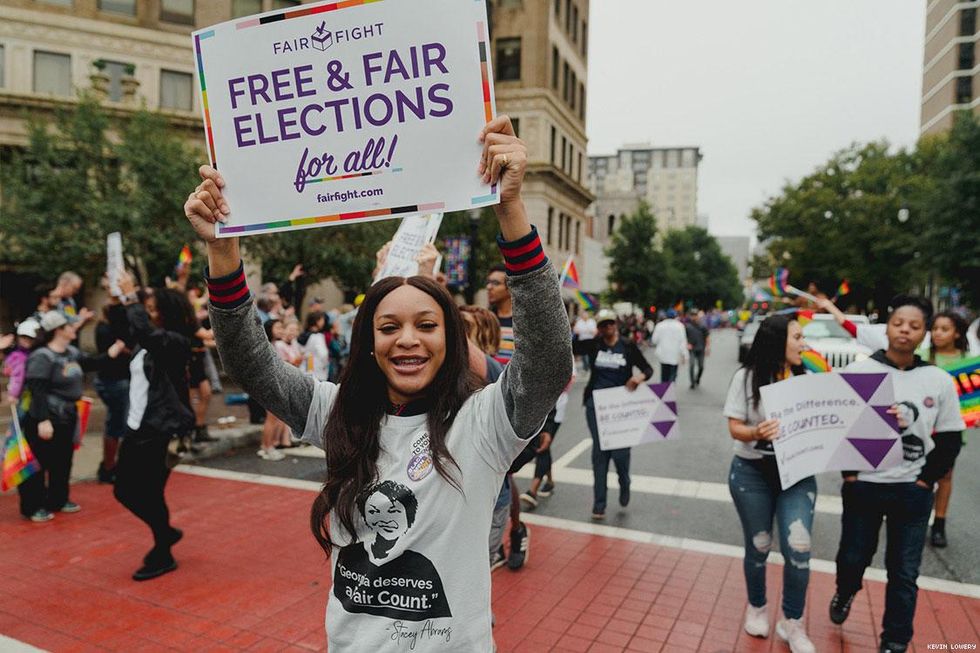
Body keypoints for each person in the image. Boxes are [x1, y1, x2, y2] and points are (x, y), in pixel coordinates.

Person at [184, 116, 570, 651]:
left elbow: (549, 360)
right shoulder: (337, 410)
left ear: (452, 339)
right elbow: (252, 365)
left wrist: (509, 211)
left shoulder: (483, 424)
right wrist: (223, 251)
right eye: (389, 327)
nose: (407, 340)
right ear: (369, 343)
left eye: (427, 325)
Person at [830, 296, 964, 653]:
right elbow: (838, 426)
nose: (905, 330)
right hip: (864, 487)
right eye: (898, 323)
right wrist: (851, 474)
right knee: (853, 557)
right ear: (886, 327)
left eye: (915, 326)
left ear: (925, 335)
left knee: (904, 572)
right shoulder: (859, 373)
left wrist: (926, 480)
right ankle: (845, 590)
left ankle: (895, 640)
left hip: (913, 490)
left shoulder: (937, 380)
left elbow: (951, 438)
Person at [723, 314, 816, 653]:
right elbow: (735, 428)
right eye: (797, 337)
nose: (803, 344)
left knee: (799, 548)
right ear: (778, 341)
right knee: (759, 545)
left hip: (797, 475)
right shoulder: (746, 379)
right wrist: (755, 432)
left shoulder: (809, 378)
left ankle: (793, 623)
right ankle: (757, 607)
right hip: (752, 473)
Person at [111, 274, 196, 581]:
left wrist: (132, 298)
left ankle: (163, 550)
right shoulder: (150, 340)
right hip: (138, 426)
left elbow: (146, 334)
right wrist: (121, 298)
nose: (147, 312)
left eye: (152, 307)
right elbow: (131, 329)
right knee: (126, 490)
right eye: (145, 306)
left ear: (167, 312)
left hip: (160, 429)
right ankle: (165, 534)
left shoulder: (175, 342)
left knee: (145, 491)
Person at [18, 311, 124, 522]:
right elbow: (37, 390)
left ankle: (58, 499)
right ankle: (33, 505)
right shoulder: (42, 356)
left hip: (67, 417)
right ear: (58, 330)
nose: (73, 328)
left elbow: (91, 363)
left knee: (62, 460)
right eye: (69, 325)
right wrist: (42, 420)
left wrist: (113, 352)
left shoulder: (71, 353)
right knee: (39, 463)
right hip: (47, 417)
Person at [573, 309, 654, 520]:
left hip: (621, 406)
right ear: (598, 328)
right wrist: (572, 328)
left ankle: (624, 482)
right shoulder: (594, 344)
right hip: (595, 404)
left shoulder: (627, 345)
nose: (607, 327)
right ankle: (599, 504)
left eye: (610, 323)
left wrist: (639, 378)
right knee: (600, 453)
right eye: (603, 324)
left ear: (616, 324)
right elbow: (569, 346)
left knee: (620, 454)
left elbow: (648, 369)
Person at [919, 311, 969, 548]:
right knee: (918, 473)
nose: (938, 333)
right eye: (935, 328)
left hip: (951, 428)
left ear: (957, 333)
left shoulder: (969, 362)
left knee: (945, 475)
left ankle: (939, 523)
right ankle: (914, 514)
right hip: (921, 427)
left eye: (945, 329)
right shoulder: (921, 357)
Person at [94, 304, 132, 483]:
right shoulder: (114, 331)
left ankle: (109, 465)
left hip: (108, 380)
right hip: (116, 381)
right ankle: (109, 468)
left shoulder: (102, 327)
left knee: (116, 424)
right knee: (116, 425)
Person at [3, 319, 40, 407]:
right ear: (18, 337)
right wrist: (13, 394)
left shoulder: (29, 353)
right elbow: (17, 377)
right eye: (24, 336)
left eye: (30, 338)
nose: (27, 340)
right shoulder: (18, 356)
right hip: (22, 394)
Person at [651, 309, 687, 383]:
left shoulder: (660, 325)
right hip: (674, 355)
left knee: (664, 375)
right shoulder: (680, 326)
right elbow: (683, 341)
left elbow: (654, 340)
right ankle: (670, 389)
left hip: (663, 354)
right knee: (672, 375)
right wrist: (684, 354)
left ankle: (664, 390)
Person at [299, 311, 332, 382]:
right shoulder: (318, 336)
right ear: (317, 321)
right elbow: (323, 354)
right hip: (317, 372)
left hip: (303, 369)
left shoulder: (303, 335)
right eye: (322, 319)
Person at [685, 310, 710, 389]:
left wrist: (708, 347)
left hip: (701, 349)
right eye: (692, 315)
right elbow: (683, 338)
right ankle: (692, 382)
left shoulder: (703, 326)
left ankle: (697, 378)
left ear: (698, 316)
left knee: (701, 366)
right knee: (691, 365)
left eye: (695, 315)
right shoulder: (687, 326)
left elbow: (707, 337)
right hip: (692, 349)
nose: (694, 317)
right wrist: (687, 344)